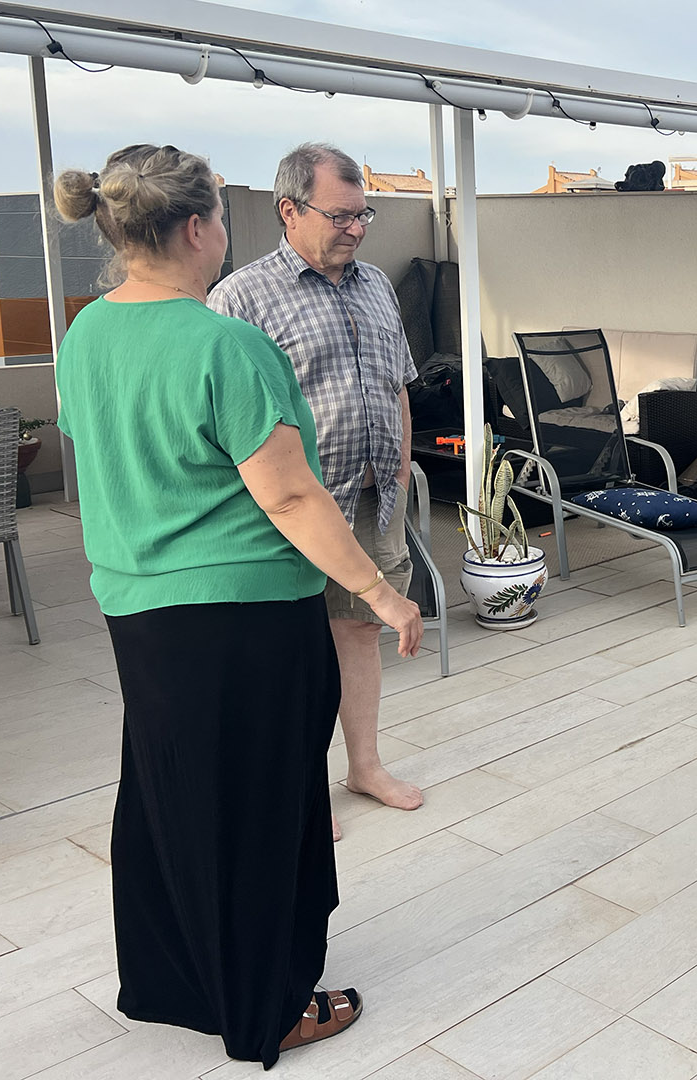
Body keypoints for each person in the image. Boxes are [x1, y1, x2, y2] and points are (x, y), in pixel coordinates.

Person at [53, 144, 423, 1066]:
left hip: (137, 609)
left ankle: (176, 981)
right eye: (221, 214)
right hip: (243, 614)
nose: (227, 229)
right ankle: (267, 1007)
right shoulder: (227, 344)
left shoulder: (86, 334)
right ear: (195, 228)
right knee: (259, 811)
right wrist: (381, 592)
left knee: (171, 798)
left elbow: (108, 457)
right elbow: (291, 497)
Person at [209, 143, 423, 841]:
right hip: (291, 510)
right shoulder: (240, 298)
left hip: (374, 496)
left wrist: (400, 468)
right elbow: (227, 418)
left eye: (364, 215)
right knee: (293, 650)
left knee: (359, 630)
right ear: (289, 210)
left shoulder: (375, 284)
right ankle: (300, 788)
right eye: (341, 215)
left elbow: (397, 382)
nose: (357, 228)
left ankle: (364, 767)